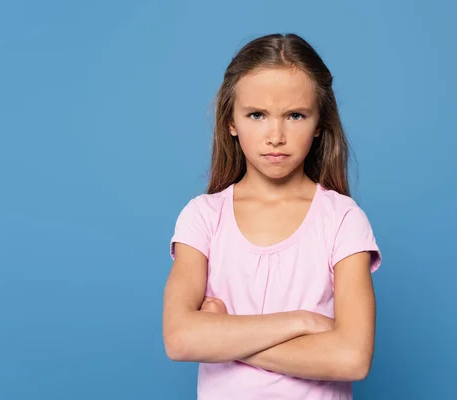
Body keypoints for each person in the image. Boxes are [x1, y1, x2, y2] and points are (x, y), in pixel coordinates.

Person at [162, 33, 382, 400]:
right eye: (257, 115)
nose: (276, 135)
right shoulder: (202, 218)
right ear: (231, 121)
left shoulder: (343, 220)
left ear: (319, 125)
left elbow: (351, 358)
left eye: (295, 115)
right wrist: (300, 323)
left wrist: (223, 335)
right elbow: (180, 339)